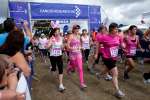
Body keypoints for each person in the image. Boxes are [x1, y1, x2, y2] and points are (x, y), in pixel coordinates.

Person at [95, 23, 125, 98]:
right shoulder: (104, 37)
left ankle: (99, 74)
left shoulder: (118, 37)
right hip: (107, 57)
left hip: (114, 57)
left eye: (117, 28)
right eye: (116, 29)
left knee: (107, 69)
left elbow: (121, 44)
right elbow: (98, 43)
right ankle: (117, 91)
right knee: (115, 73)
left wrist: (123, 46)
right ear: (111, 29)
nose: (117, 30)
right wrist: (96, 53)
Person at [67, 25, 87, 89]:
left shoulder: (79, 36)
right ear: (73, 29)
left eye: (78, 28)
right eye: (76, 28)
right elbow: (67, 46)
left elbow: (79, 45)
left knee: (80, 68)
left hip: (78, 53)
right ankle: (69, 68)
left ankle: (82, 83)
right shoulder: (71, 36)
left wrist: (82, 47)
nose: (77, 30)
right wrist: (71, 48)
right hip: (72, 54)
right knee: (74, 66)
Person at [47, 28, 65, 92]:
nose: (57, 33)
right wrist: (50, 44)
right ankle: (52, 69)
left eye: (58, 31)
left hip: (59, 56)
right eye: (56, 32)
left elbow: (62, 47)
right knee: (54, 68)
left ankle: (61, 84)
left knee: (60, 69)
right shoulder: (51, 38)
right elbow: (47, 47)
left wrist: (63, 47)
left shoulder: (61, 38)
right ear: (54, 33)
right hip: (53, 56)